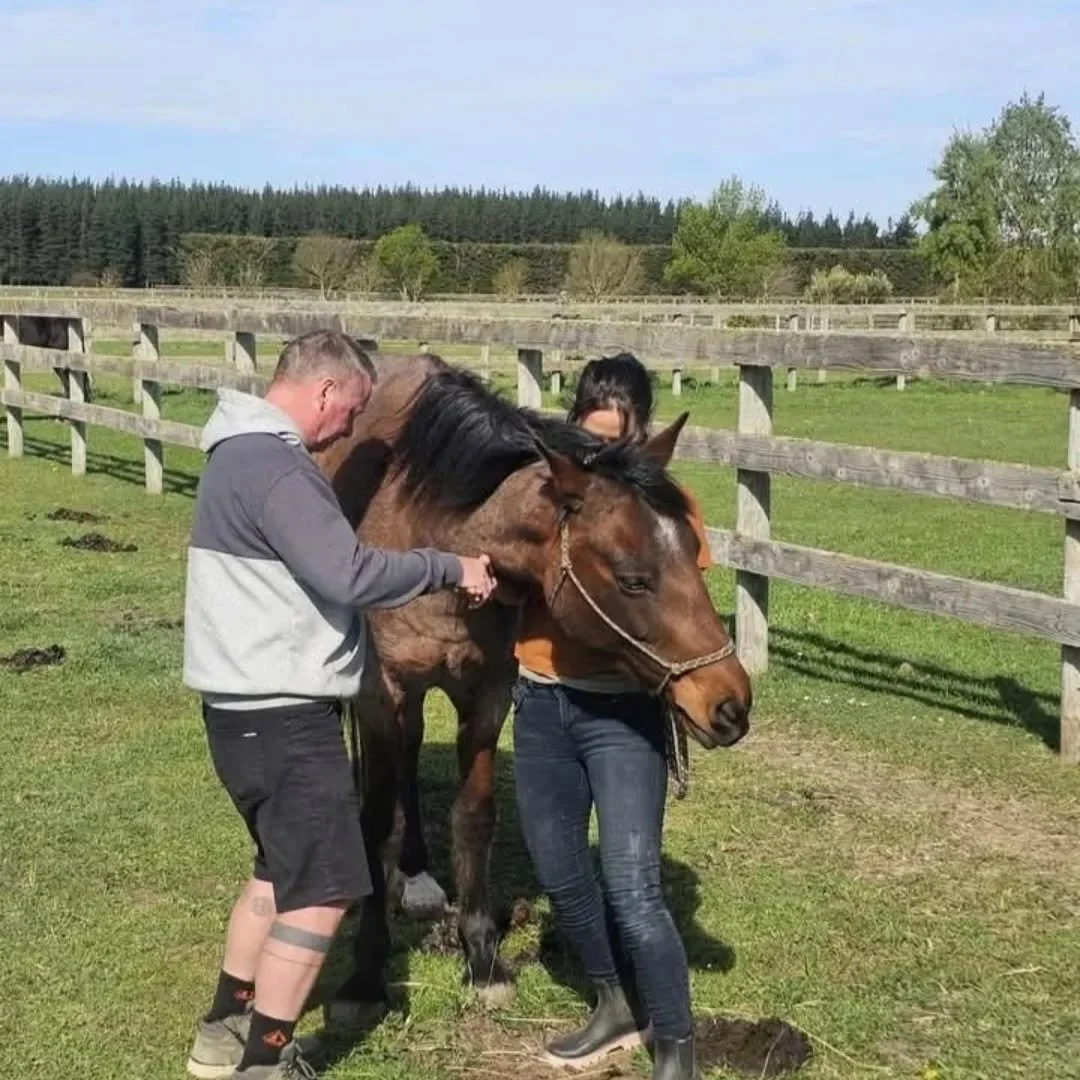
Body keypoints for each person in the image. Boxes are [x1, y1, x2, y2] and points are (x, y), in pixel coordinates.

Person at [182, 330, 496, 1080]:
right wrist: (447, 564)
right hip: (284, 710)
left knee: (274, 875)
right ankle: (267, 1059)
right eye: (349, 411)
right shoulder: (277, 469)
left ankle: (221, 1029)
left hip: (240, 709)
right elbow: (349, 573)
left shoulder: (235, 454)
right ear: (323, 391)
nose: (346, 430)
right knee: (324, 892)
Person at [512, 353, 711, 1080]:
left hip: (622, 716)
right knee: (562, 873)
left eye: (616, 444)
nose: (600, 459)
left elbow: (677, 611)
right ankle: (613, 1002)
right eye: (589, 442)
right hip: (539, 699)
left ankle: (678, 1047)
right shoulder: (547, 498)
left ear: (644, 436)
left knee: (633, 886)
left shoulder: (665, 510)